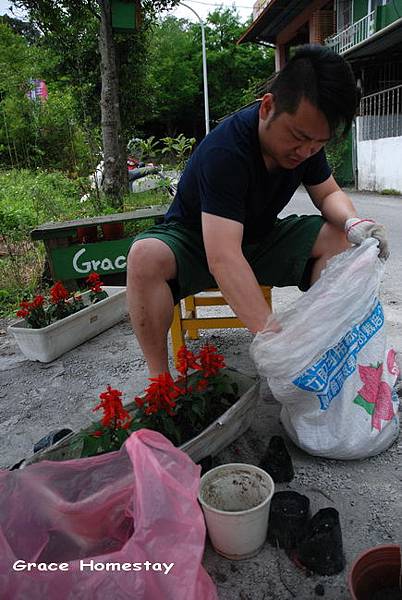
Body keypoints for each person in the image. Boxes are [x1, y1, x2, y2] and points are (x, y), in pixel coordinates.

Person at [127, 44, 389, 377]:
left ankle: (323, 350)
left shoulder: (305, 144)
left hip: (260, 238)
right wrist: (274, 341)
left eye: (318, 144)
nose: (305, 151)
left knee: (340, 238)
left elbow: (327, 194)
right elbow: (222, 257)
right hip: (196, 241)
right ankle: (159, 382)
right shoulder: (226, 150)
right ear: (268, 107)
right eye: (299, 137)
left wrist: (355, 223)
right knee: (144, 257)